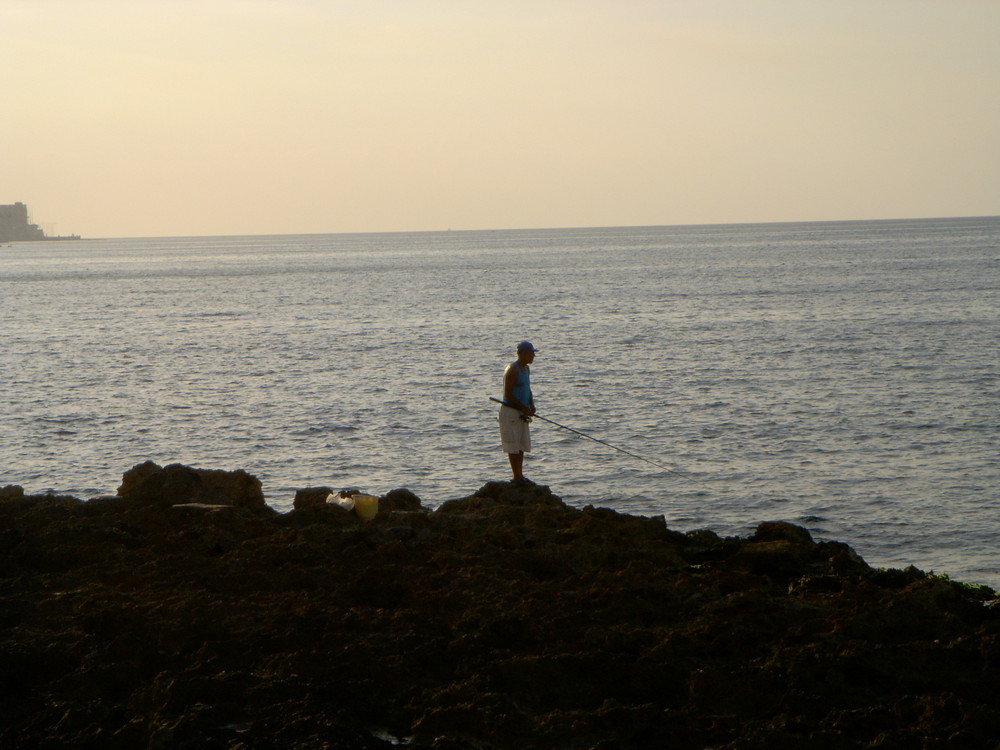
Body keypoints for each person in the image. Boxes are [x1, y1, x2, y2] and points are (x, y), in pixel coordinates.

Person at [499, 340, 538, 485]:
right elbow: (508, 395)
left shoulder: (526, 369)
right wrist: (523, 407)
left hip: (522, 412)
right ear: (521, 354)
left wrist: (531, 405)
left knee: (521, 445)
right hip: (511, 412)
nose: (533, 356)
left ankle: (520, 475)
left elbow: (528, 389)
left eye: (533, 354)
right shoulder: (512, 370)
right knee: (513, 445)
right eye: (530, 353)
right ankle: (516, 477)